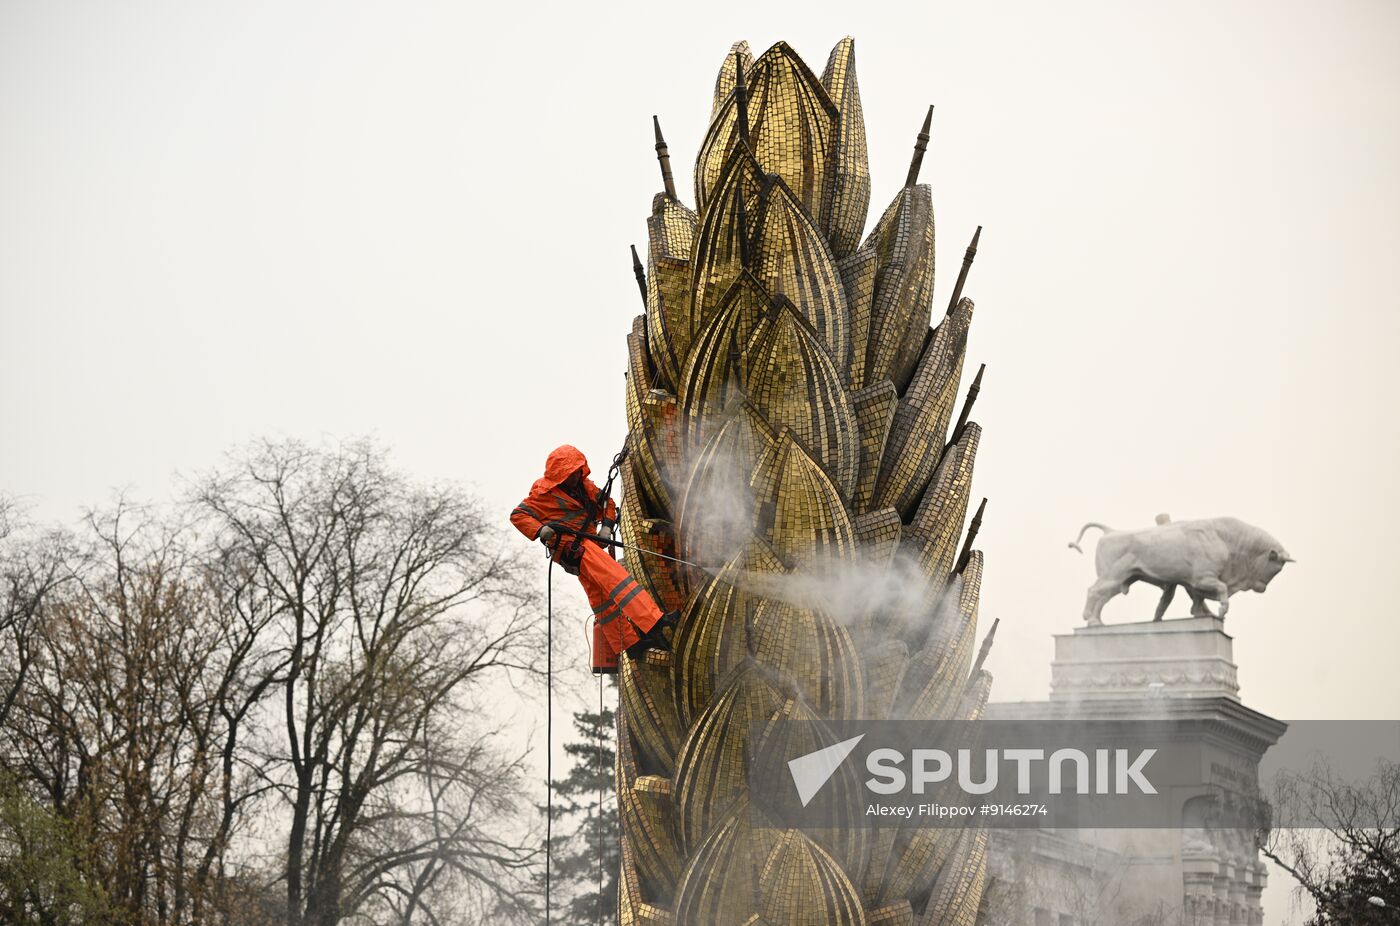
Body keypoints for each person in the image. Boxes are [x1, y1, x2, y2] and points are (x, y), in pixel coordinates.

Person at [510, 445, 674, 675]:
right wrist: (540, 530)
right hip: (573, 546)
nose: (576, 475)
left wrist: (606, 528)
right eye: (571, 473)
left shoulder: (584, 486)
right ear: (560, 476)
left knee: (602, 601)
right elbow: (518, 516)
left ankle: (631, 645)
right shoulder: (542, 495)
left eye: (578, 470)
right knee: (615, 577)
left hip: (589, 543)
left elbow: (607, 503)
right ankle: (654, 622)